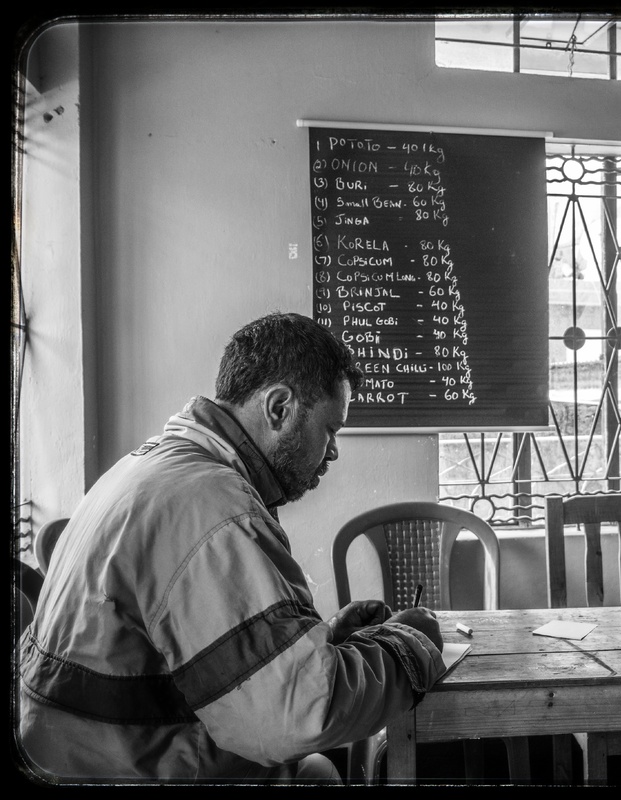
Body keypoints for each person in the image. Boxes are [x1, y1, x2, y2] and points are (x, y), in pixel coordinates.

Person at [17, 312, 445, 784]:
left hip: (69, 755)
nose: (334, 450)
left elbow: (201, 649)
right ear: (279, 407)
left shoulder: (153, 465)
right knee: (318, 772)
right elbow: (300, 715)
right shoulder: (216, 507)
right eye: (330, 429)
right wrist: (409, 644)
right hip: (123, 769)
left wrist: (319, 641)